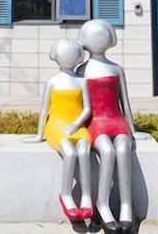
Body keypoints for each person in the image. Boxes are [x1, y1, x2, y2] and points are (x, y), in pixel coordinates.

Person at [78, 19, 147, 234]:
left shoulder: (117, 69)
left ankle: (127, 206)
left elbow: (125, 103)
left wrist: (132, 130)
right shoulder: (82, 70)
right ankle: (102, 204)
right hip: (95, 122)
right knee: (107, 151)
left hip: (116, 120)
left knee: (123, 148)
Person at [28, 38, 94, 220]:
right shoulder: (53, 82)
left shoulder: (82, 82)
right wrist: (39, 134)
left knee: (84, 151)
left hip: (77, 125)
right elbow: (45, 110)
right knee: (70, 153)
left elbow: (87, 109)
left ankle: (87, 196)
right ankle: (66, 194)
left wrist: (76, 124)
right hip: (56, 126)